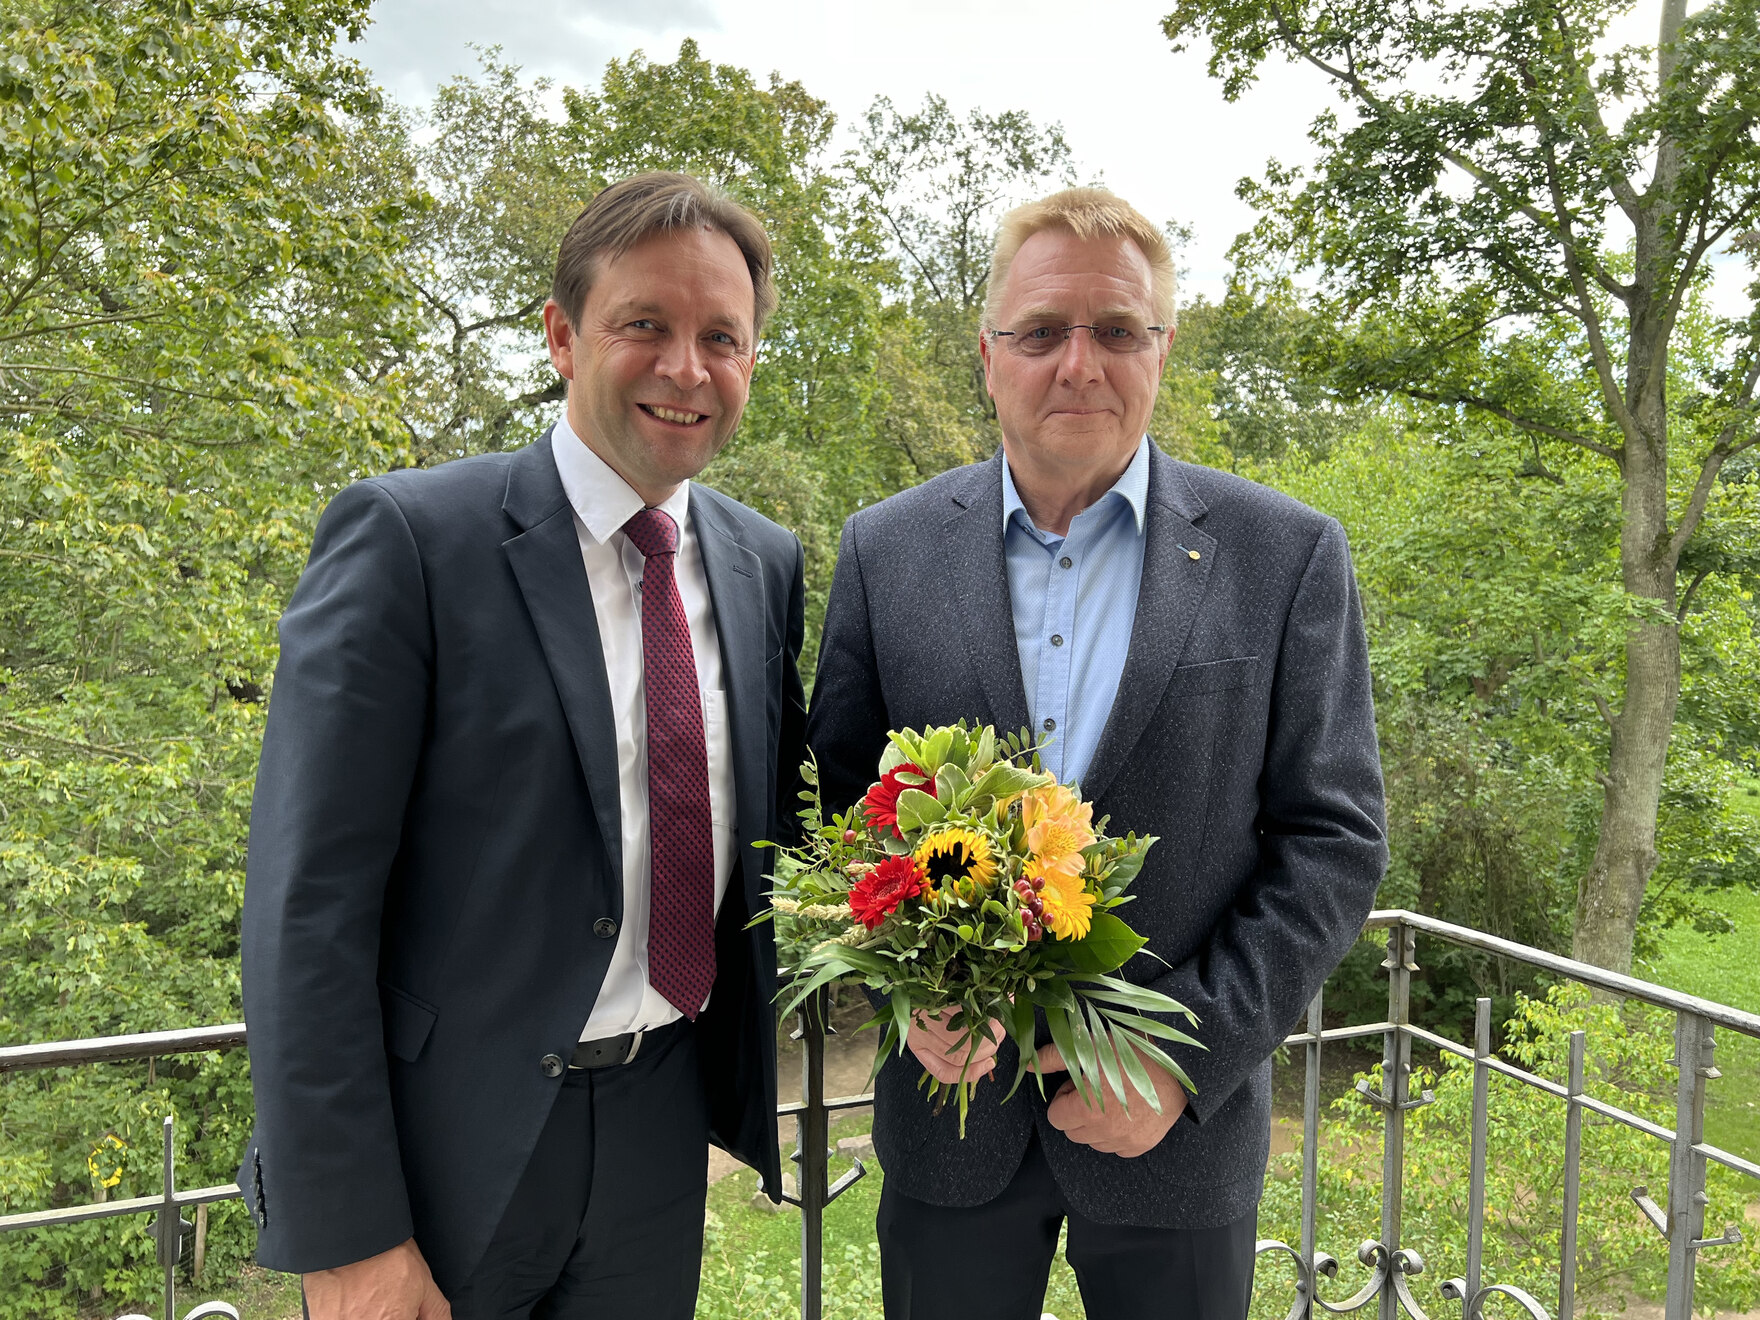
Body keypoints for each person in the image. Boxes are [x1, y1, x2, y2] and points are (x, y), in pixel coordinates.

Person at [806, 187, 1388, 1319]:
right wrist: (908, 997)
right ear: (987, 355)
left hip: (1179, 1135)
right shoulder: (884, 550)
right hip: (948, 1120)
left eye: (1116, 330)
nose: (1078, 363)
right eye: (1040, 332)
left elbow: (1333, 838)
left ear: (1161, 350)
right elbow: (842, 821)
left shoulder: (1283, 556)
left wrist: (1182, 1058)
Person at [238, 171, 806, 1320]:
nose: (685, 369)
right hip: (443, 1147)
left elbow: (780, 836)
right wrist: (348, 1233)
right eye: (643, 324)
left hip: (659, 1126)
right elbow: (305, 906)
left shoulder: (761, 564)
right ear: (560, 335)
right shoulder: (410, 538)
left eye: (721, 338)